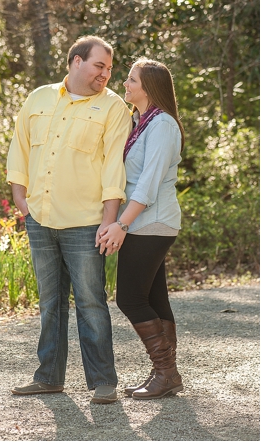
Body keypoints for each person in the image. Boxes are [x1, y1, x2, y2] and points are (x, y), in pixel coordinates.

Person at [6, 36, 130, 404]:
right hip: (40, 218)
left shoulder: (113, 108)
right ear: (77, 61)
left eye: (109, 68)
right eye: (99, 66)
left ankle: (103, 381)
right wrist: (20, 199)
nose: (106, 74)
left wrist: (110, 220)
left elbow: (113, 167)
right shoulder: (39, 98)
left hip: (85, 222)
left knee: (91, 302)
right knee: (49, 302)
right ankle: (48, 377)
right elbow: (20, 146)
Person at [97, 58, 185, 399]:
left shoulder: (162, 125)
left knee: (131, 299)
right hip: (143, 222)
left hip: (152, 221)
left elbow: (147, 185)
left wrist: (121, 224)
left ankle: (166, 372)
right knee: (153, 297)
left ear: (148, 86)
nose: (125, 84)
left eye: (131, 79)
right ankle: (165, 375)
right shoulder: (140, 122)